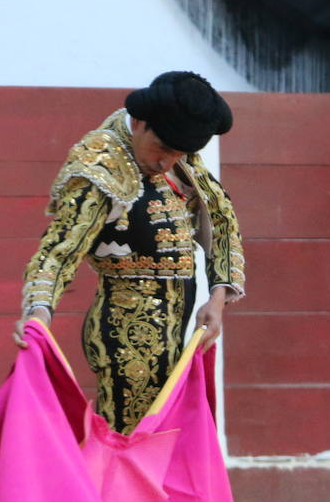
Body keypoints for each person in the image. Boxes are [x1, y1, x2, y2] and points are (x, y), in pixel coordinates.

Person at [13, 70, 244, 436]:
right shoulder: (100, 167)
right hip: (127, 336)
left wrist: (216, 301)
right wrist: (39, 312)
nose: (168, 162)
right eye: (164, 150)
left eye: (180, 153)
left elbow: (222, 222)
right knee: (131, 446)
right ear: (138, 123)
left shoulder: (179, 156)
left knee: (159, 449)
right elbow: (58, 251)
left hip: (182, 335)